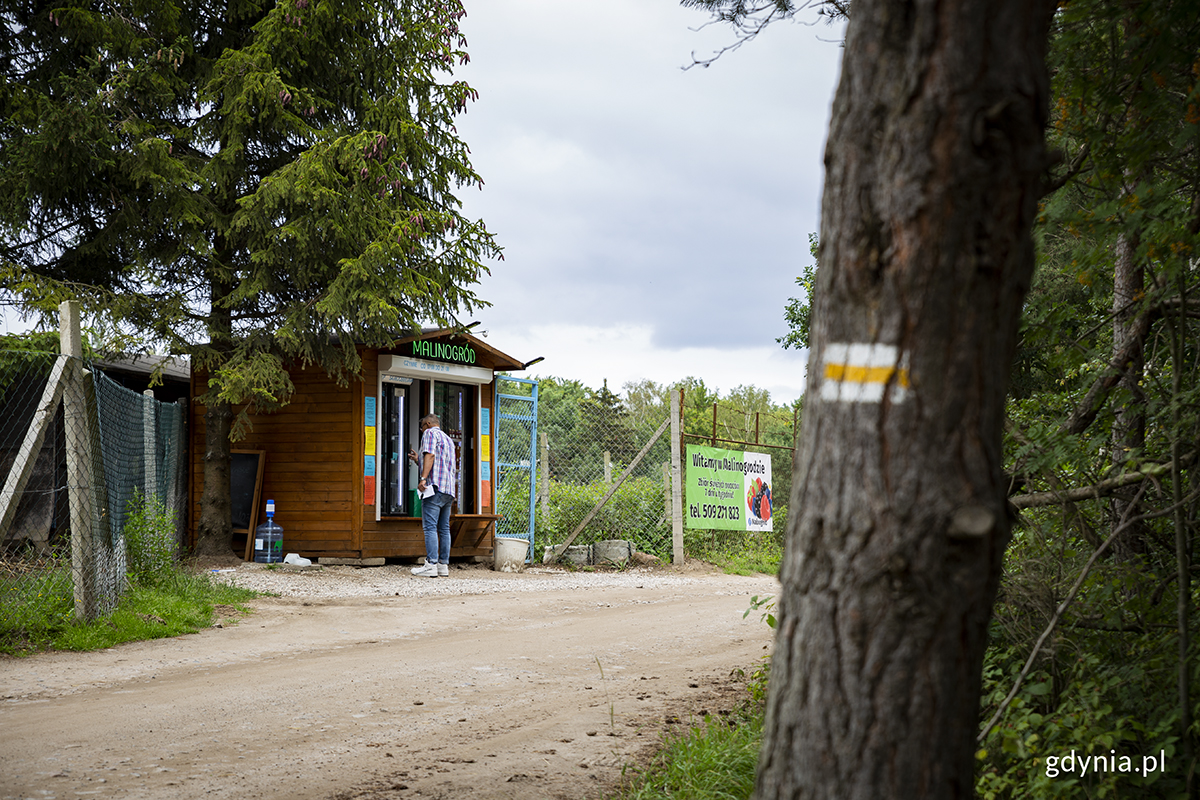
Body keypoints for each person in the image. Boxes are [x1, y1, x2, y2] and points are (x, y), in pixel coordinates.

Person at [408, 414, 457, 577]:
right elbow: (440, 464)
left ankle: (431, 564)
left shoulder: (429, 433)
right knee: (444, 528)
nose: (422, 431)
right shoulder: (448, 439)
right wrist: (418, 460)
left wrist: (423, 478)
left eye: (422, 427)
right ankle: (443, 565)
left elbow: (430, 455)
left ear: (428, 424)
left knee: (430, 527)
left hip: (434, 488)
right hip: (448, 490)